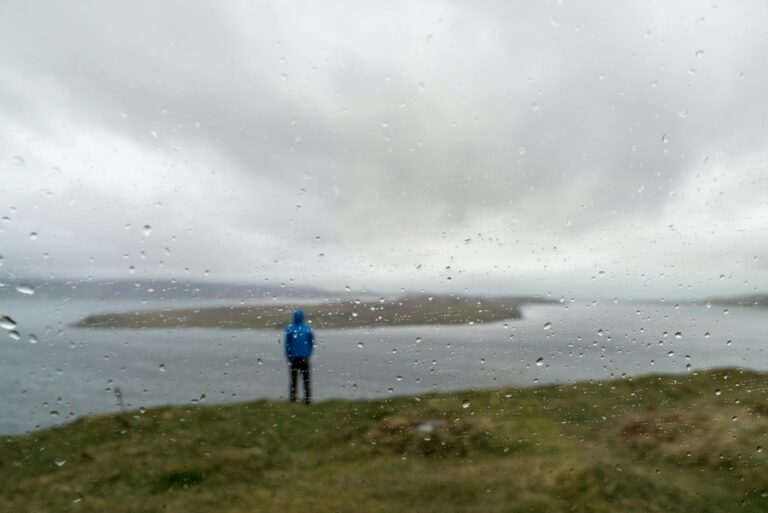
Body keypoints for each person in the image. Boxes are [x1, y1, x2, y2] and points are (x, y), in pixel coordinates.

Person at [284, 309, 314, 404]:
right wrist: (308, 354)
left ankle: (293, 399)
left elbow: (287, 344)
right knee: (306, 379)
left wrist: (289, 356)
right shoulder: (307, 328)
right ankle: (307, 400)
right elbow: (311, 343)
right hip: (304, 358)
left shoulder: (290, 328)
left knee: (293, 379)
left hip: (294, 358)